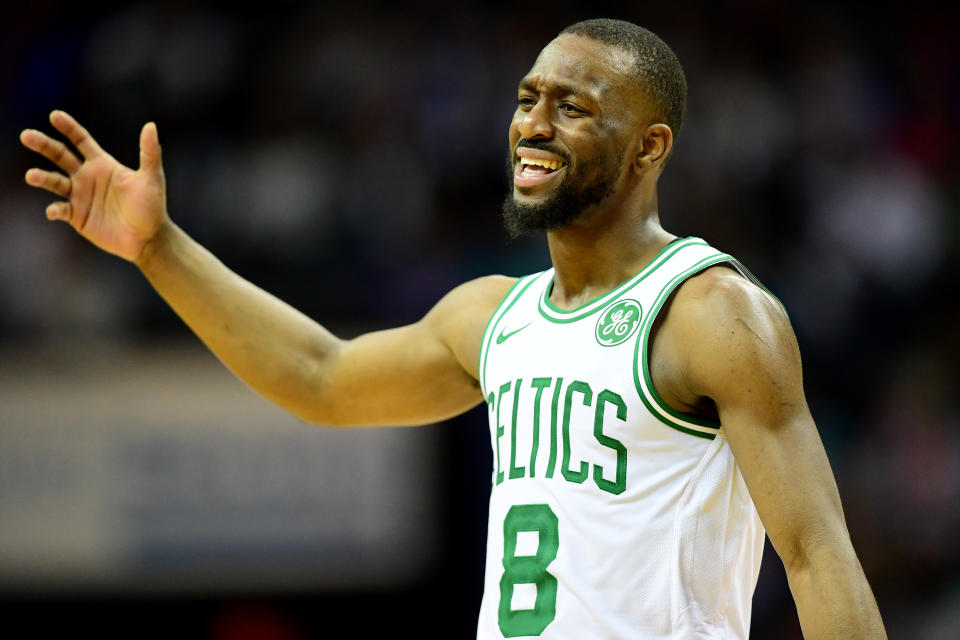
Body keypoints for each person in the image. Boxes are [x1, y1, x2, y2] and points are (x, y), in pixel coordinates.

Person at [19, 17, 885, 640]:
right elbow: (320, 377)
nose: (534, 125)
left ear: (650, 147)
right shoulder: (492, 317)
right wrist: (157, 248)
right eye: (528, 98)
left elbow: (815, 555)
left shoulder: (712, 311)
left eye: (574, 107)